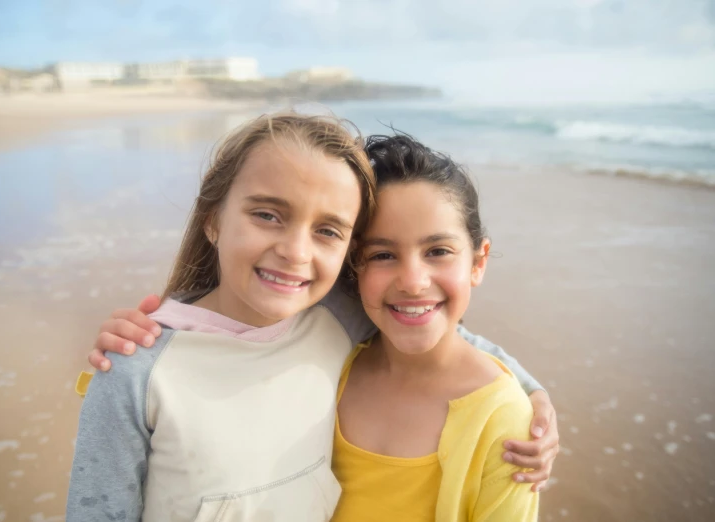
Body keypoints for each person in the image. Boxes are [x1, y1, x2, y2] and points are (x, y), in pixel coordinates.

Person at [72, 113, 558, 521]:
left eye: (328, 230)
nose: (295, 251)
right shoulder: (136, 369)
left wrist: (530, 392)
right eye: (267, 215)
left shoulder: (334, 322)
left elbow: (428, 326)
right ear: (214, 217)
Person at [331, 134, 538, 521]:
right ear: (353, 265)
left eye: (438, 251)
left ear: (478, 262)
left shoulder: (503, 418)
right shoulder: (331, 366)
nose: (412, 281)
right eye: (383, 254)